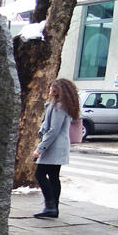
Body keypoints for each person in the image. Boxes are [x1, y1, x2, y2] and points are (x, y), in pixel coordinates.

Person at [33, 78, 79, 219]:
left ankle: (50, 206)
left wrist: (40, 148)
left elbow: (54, 130)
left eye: (53, 89)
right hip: (58, 145)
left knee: (39, 174)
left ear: (59, 91)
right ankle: (54, 208)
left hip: (54, 146)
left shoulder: (59, 107)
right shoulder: (60, 105)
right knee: (53, 177)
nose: (50, 91)